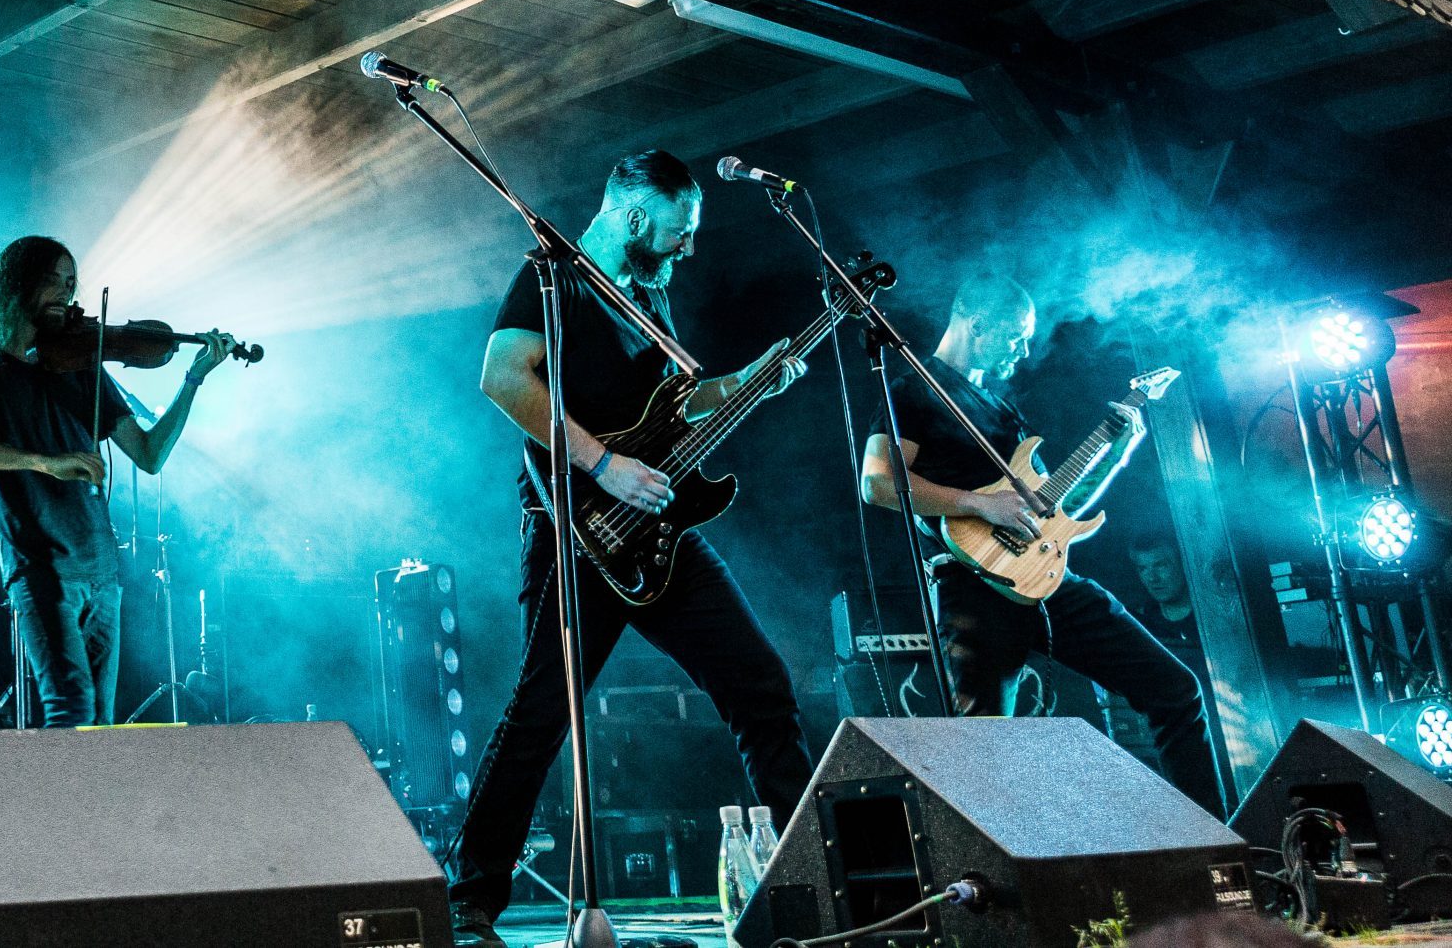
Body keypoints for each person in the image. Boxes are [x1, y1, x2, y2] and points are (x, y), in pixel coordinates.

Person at [447, 149, 814, 948]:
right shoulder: (554, 275)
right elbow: (503, 377)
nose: (689, 246)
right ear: (636, 216)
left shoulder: (650, 294)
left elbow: (676, 405)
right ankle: (467, 899)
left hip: (659, 530)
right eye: (680, 230)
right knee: (543, 710)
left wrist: (750, 379)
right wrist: (603, 464)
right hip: (574, 524)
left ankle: (807, 887)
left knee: (760, 683)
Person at [857, 275, 1223, 813]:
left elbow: (1055, 508)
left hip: (1047, 577)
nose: (1024, 351)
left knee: (1176, 690)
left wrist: (1118, 449)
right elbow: (878, 483)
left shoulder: (1001, 411)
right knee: (987, 746)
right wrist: (979, 504)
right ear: (977, 323)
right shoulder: (913, 390)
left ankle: (1216, 841)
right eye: (1016, 336)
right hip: (973, 583)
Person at [0, 237, 235, 727]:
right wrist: (44, 462)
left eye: (71, 282)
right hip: (41, 564)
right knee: (70, 712)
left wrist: (193, 380)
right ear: (17, 282)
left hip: (101, 569)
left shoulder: (80, 364)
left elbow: (149, 454)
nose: (65, 292)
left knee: (99, 724)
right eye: (52, 279)